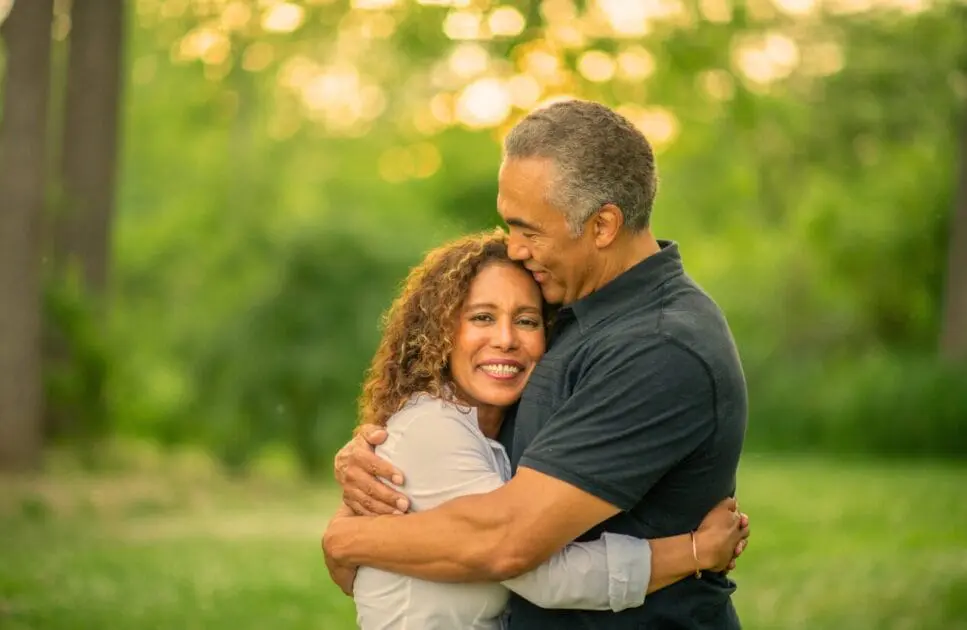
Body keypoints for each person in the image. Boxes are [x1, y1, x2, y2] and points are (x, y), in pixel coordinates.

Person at [324, 99, 750, 629]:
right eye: (509, 227)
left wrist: (349, 538)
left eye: (529, 230)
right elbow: (481, 433)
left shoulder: (659, 347)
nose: (515, 249)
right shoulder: (571, 308)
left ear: (602, 226)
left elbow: (509, 543)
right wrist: (376, 451)